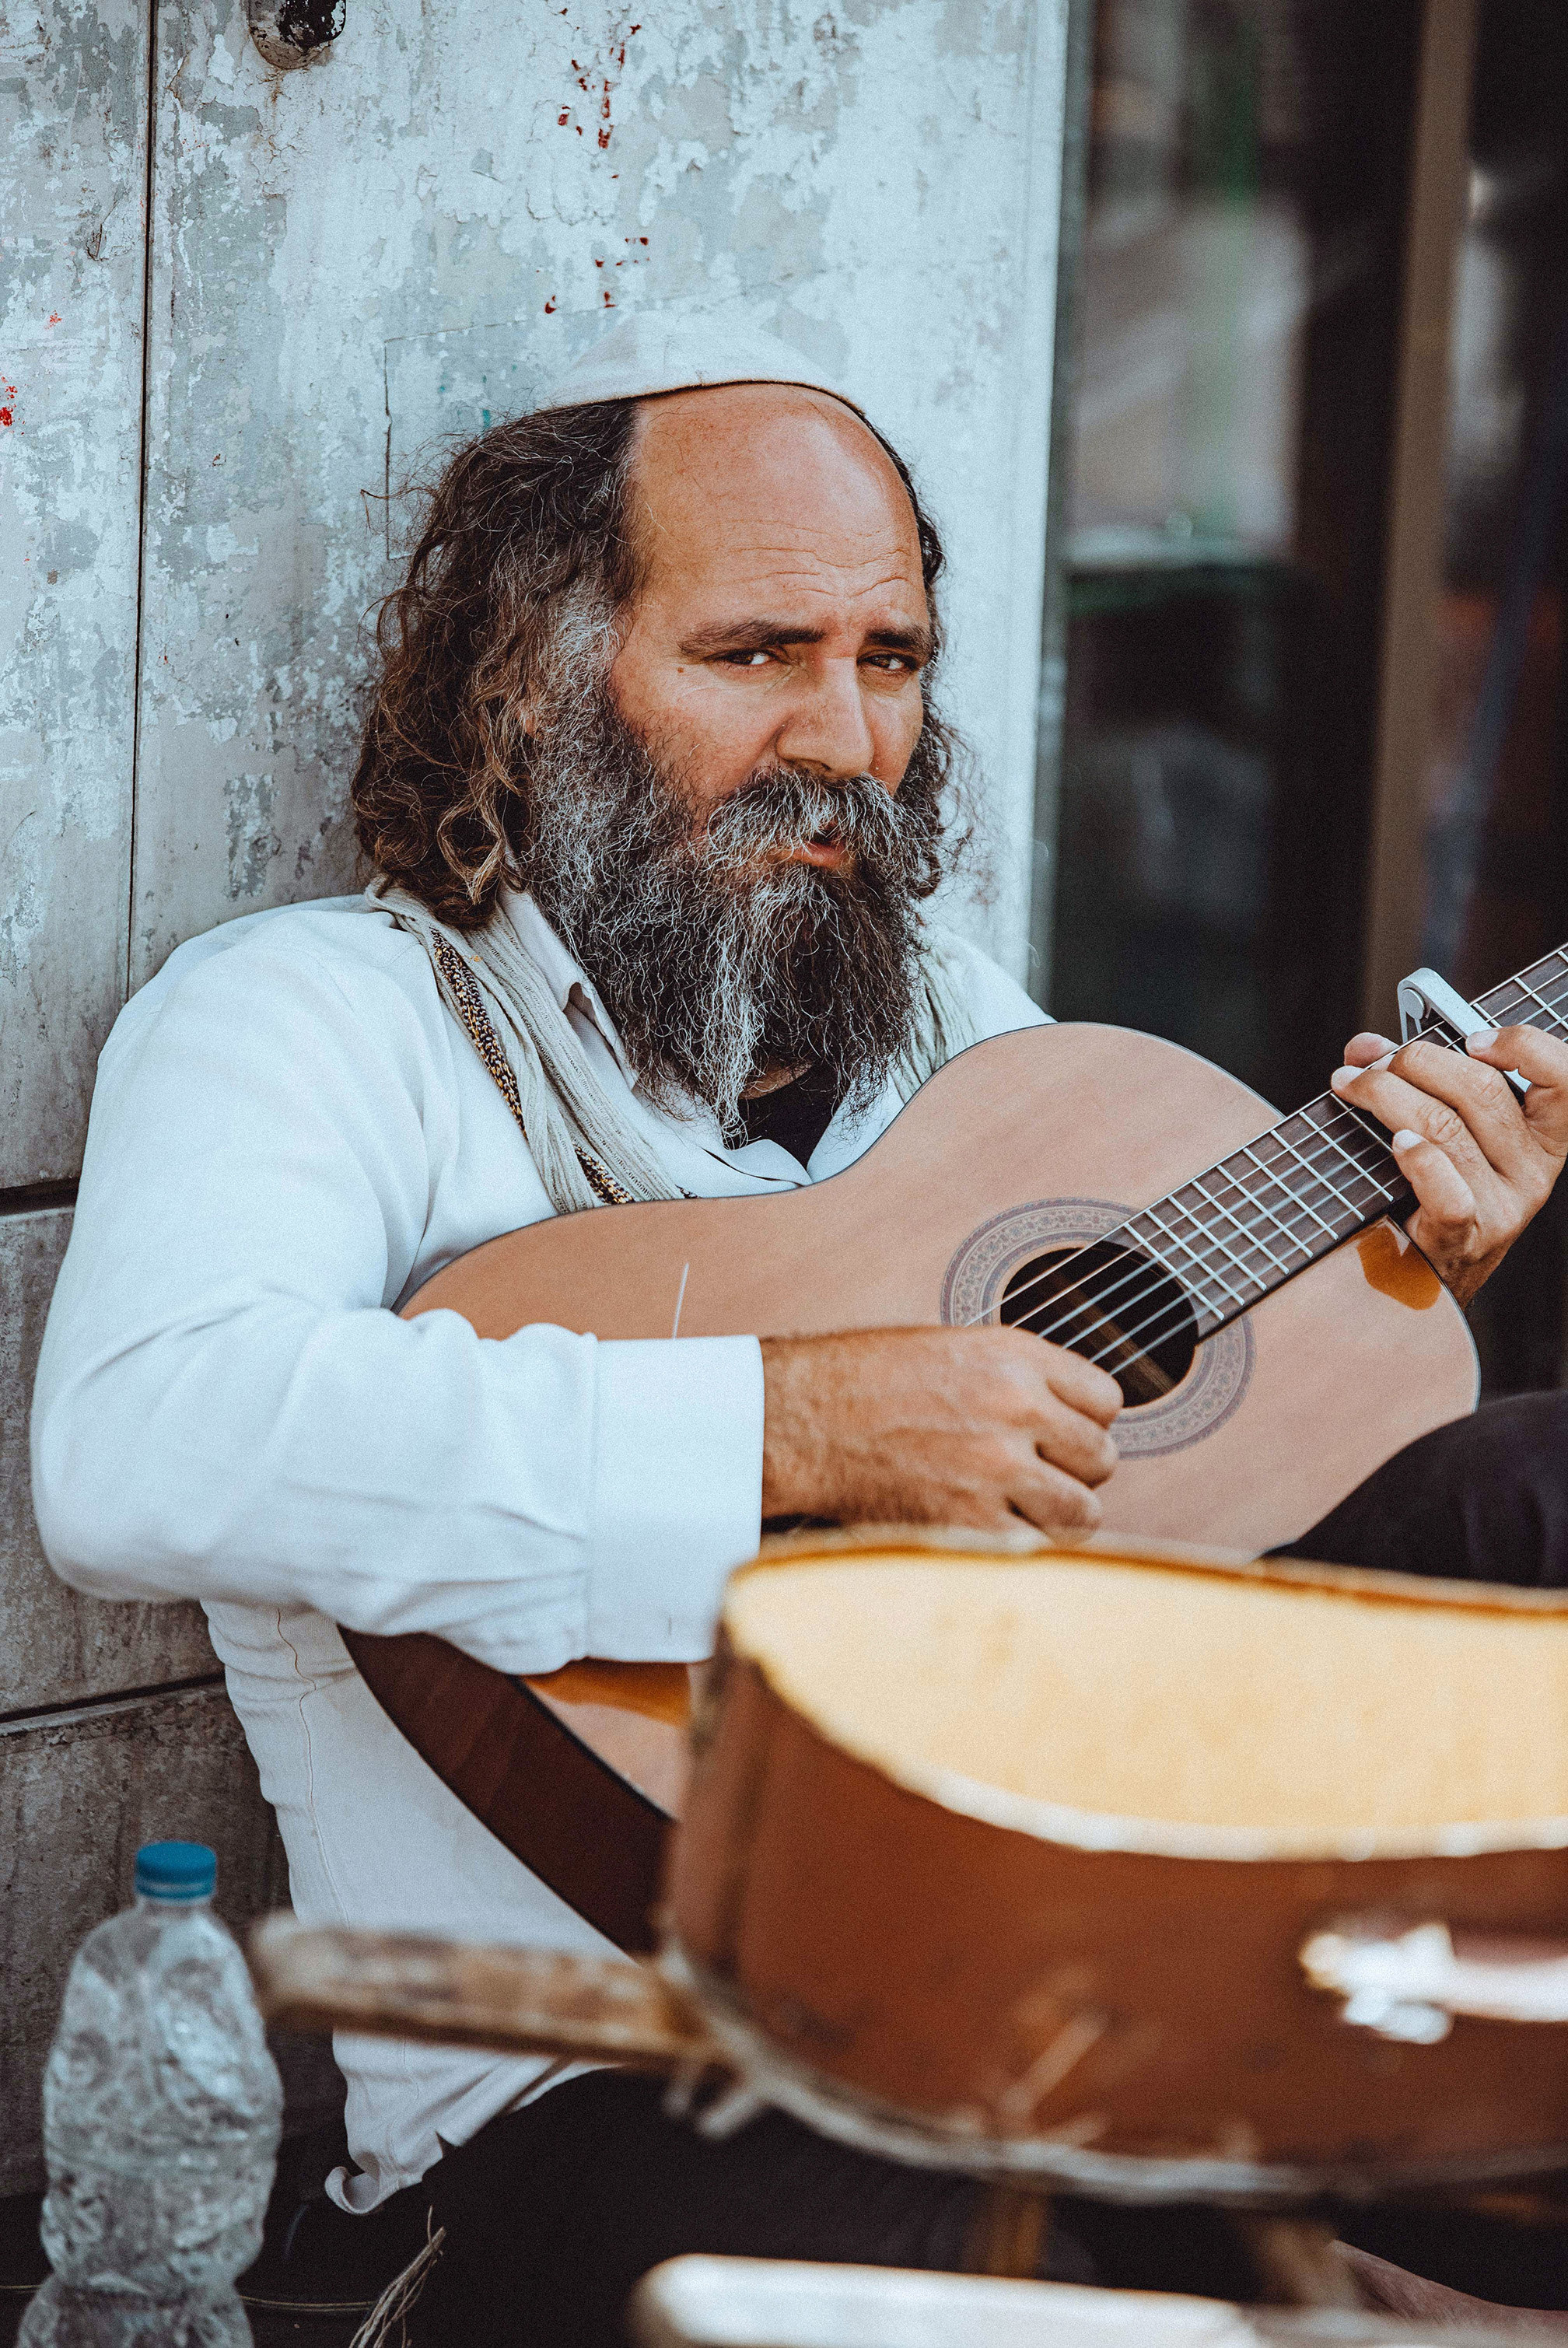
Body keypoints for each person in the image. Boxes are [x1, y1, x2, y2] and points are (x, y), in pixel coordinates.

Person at [30, 313, 1568, 2342]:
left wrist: (1401, 1271)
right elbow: (141, 1439)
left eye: (892, 659)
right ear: (538, 672)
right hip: (632, 2074)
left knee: (1531, 1482)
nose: (843, 734)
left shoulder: (953, 1021)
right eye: (758, 653)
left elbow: (1174, 1511)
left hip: (1093, 1935)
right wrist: (778, 1428)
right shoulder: (312, 1015)